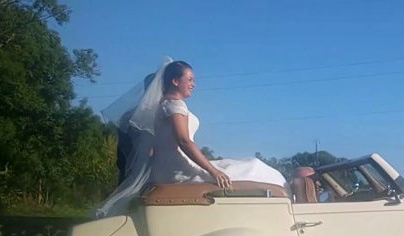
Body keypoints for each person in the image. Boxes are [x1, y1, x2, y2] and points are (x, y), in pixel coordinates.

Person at [94, 58, 285, 218]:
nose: (194, 84)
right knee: (251, 167)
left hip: (168, 166)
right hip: (179, 169)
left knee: (246, 165)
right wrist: (213, 171)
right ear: (176, 81)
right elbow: (184, 141)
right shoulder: (175, 105)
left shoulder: (164, 106)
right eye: (190, 79)